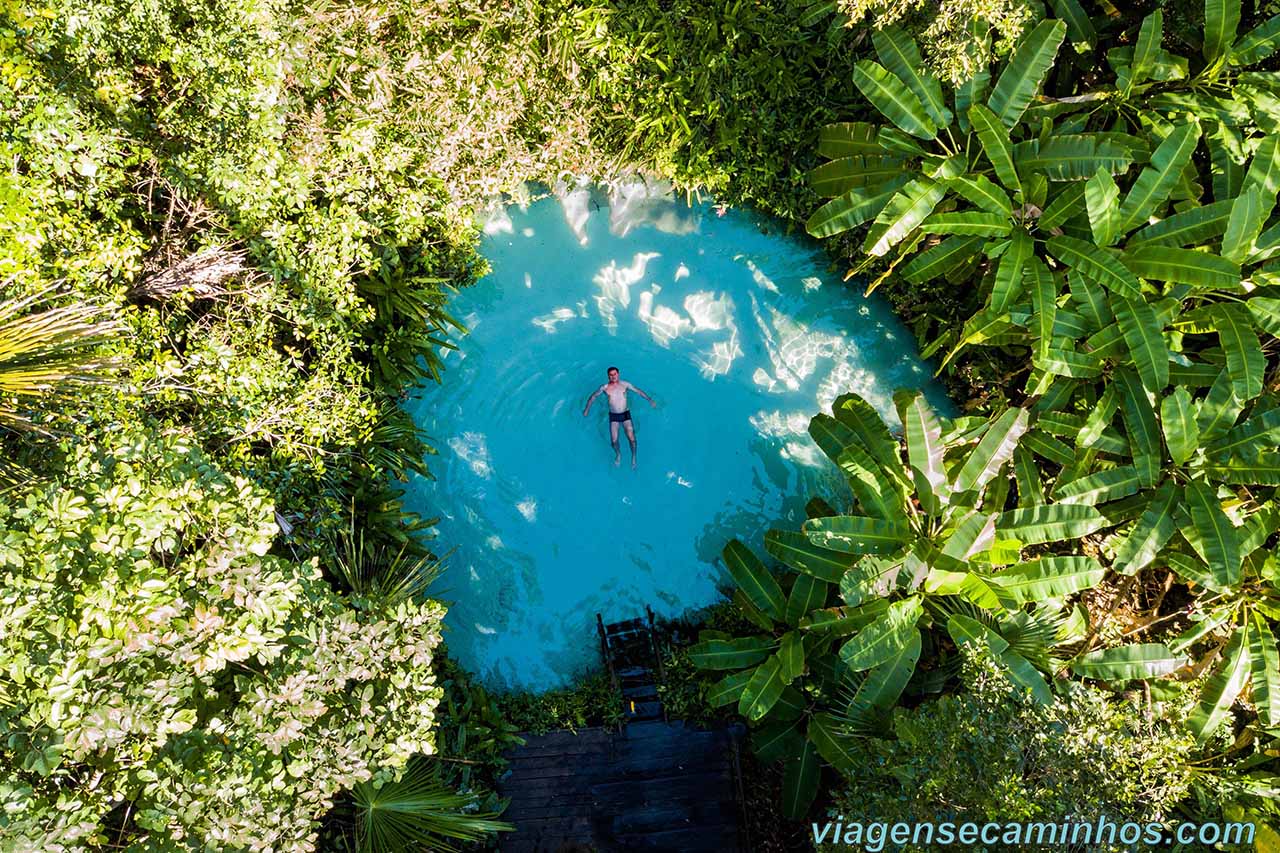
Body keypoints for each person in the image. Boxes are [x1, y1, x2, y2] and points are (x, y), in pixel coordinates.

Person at [582, 366, 656, 468]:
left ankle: (634, 457)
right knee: (614, 441)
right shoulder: (604, 387)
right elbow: (593, 396)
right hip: (614, 416)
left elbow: (638, 391)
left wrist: (649, 399)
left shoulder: (625, 385)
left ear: (618, 374)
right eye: (611, 375)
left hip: (625, 414)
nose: (613, 376)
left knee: (632, 439)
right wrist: (587, 409)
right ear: (608, 376)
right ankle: (618, 455)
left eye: (615, 374)